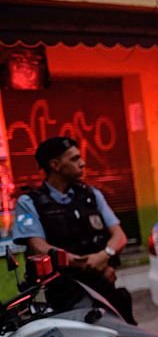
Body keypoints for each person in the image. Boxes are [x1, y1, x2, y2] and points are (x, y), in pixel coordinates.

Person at [13, 136, 133, 325]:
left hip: (103, 288)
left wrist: (104, 255)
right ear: (55, 165)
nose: (83, 163)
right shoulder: (29, 203)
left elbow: (119, 236)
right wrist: (80, 262)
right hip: (63, 295)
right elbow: (38, 247)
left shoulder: (92, 195)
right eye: (74, 159)